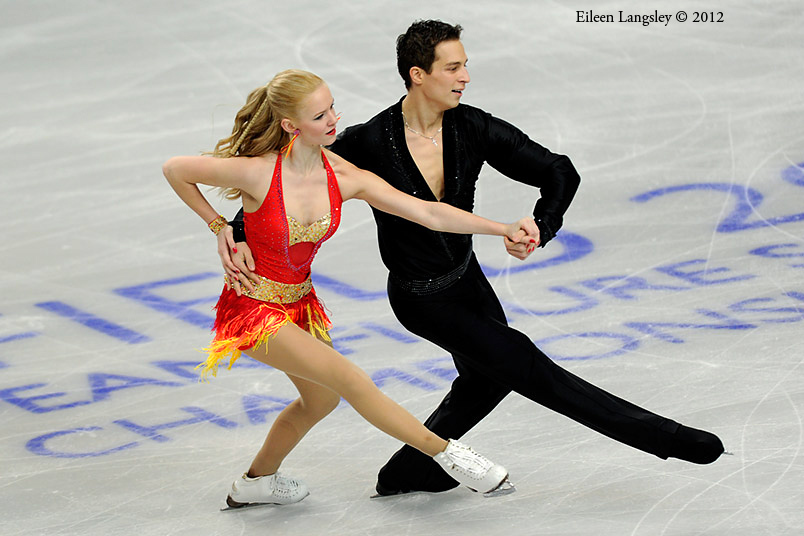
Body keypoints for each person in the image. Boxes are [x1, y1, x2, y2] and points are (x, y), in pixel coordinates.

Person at [219, 21, 725, 498]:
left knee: (488, 378)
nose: (465, 77)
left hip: (469, 281)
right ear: (418, 75)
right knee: (524, 363)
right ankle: (670, 439)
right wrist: (234, 233)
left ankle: (407, 472)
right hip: (421, 298)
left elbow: (558, 171)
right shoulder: (366, 144)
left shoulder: (473, 127)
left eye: (465, 65)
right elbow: (282, 187)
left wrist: (539, 225)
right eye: (452, 68)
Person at [163, 69, 530, 507]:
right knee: (352, 380)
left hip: (300, 306)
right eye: (320, 115)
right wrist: (219, 225)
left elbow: (429, 214)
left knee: (321, 401)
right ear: (290, 125)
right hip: (251, 308)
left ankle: (255, 482)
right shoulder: (257, 173)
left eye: (332, 106)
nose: (334, 119)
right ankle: (450, 456)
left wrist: (501, 227)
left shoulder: (345, 176)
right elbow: (176, 170)